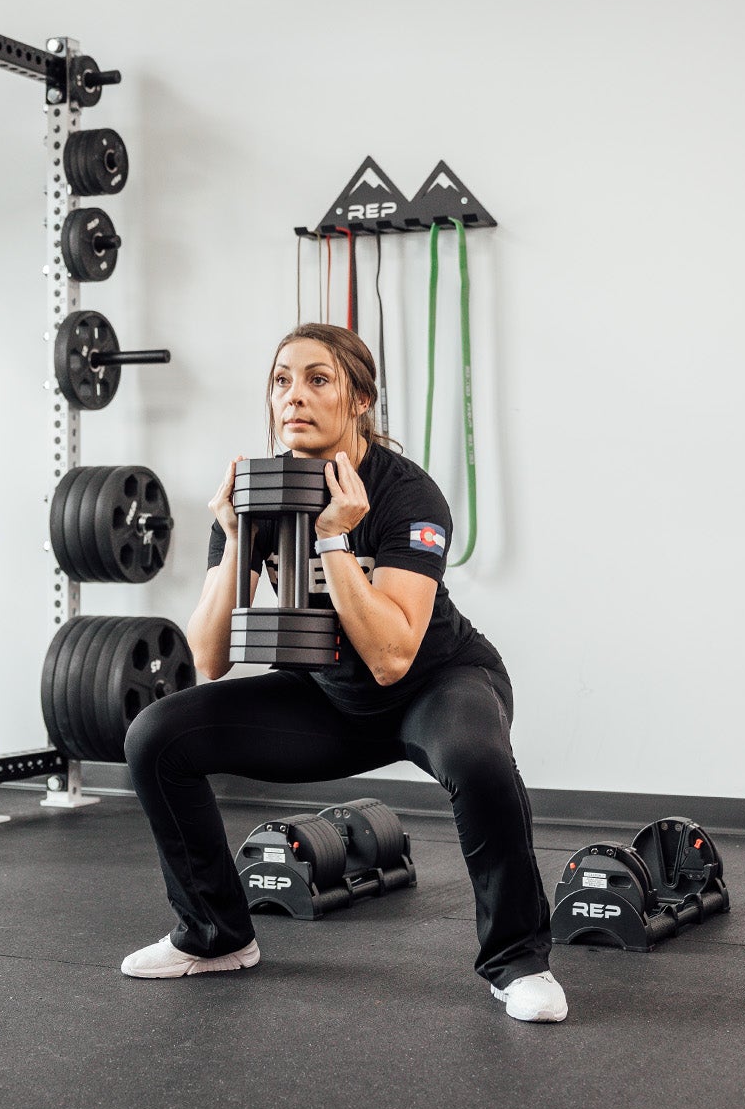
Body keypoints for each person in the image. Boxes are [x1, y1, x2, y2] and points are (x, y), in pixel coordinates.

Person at [119, 323, 566, 1023]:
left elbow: (392, 658)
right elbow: (207, 659)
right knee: (156, 736)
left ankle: (518, 962)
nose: (294, 395)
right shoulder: (256, 495)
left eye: (318, 379)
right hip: (327, 694)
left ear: (360, 399)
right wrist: (237, 541)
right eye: (281, 380)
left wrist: (332, 536)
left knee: (478, 760)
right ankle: (214, 935)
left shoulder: (405, 495)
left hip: (434, 684)